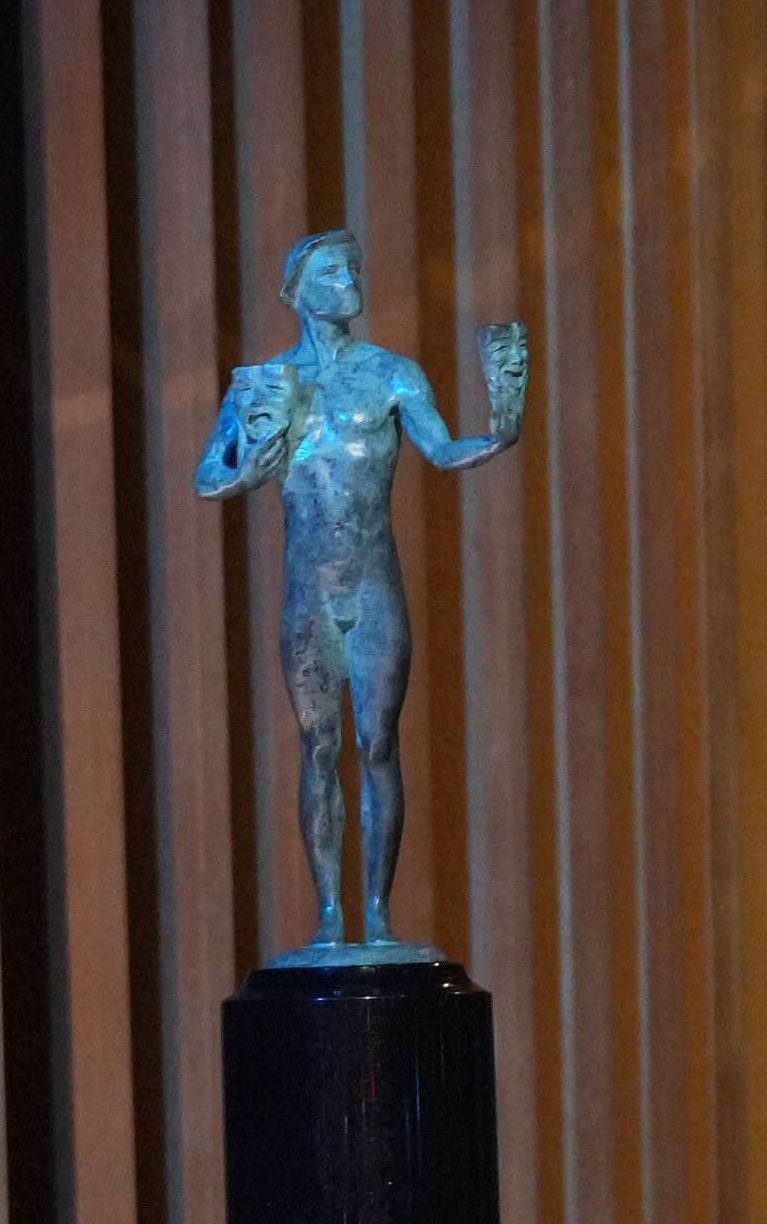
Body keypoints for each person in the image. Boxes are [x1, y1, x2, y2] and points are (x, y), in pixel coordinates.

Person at [196, 227, 526, 959]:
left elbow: (442, 451)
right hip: (309, 593)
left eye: (354, 265)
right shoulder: (266, 383)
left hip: (374, 584)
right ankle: (329, 913)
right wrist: (254, 460)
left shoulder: (393, 374)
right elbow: (210, 477)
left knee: (377, 741)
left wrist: (501, 429)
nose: (349, 276)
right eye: (332, 268)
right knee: (318, 745)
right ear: (298, 290)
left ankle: (376, 910)